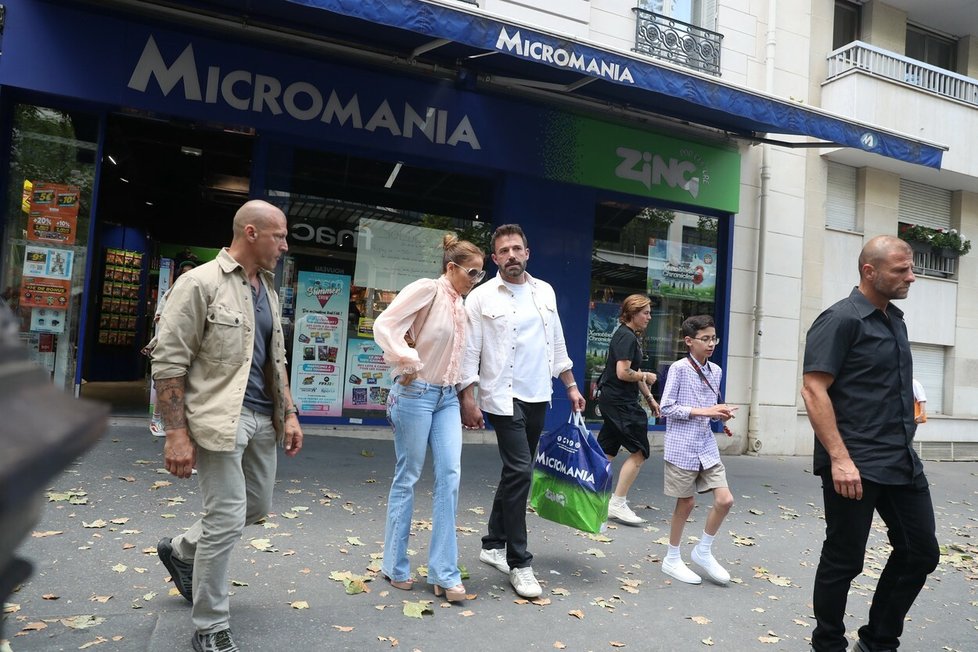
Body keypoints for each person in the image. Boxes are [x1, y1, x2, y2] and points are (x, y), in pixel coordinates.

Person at [151, 199, 303, 652]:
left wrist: (290, 412)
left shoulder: (269, 290)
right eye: (279, 235)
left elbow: (276, 360)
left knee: (253, 507)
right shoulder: (199, 283)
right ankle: (210, 626)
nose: (285, 244)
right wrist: (176, 434)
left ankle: (180, 550)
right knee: (225, 518)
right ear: (251, 233)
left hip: (262, 418)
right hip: (218, 419)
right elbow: (168, 362)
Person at [801, 235, 939, 652]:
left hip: (900, 459)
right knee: (845, 559)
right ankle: (827, 644)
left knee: (921, 552)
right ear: (869, 271)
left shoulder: (895, 320)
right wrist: (840, 459)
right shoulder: (841, 318)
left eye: (911, 268)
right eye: (901, 270)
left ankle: (878, 641)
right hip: (854, 462)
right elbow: (813, 389)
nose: (911, 277)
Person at [459, 223, 585, 599]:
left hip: (537, 394)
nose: (511, 255)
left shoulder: (544, 291)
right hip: (501, 396)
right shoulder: (480, 298)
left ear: (527, 253)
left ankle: (492, 543)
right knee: (520, 471)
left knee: (515, 473)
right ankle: (520, 562)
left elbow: (557, 340)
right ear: (494, 258)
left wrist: (571, 385)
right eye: (504, 251)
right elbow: (470, 352)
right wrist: (468, 397)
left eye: (517, 248)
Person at [373, 234, 485, 603]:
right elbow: (385, 324)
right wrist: (407, 359)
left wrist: (471, 397)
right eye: (472, 272)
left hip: (448, 398)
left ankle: (443, 573)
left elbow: (464, 357)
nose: (475, 279)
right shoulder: (428, 289)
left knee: (450, 476)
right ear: (451, 268)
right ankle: (394, 564)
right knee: (408, 476)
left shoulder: (463, 307)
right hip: (415, 394)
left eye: (481, 275)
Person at [658, 314, 736, 586]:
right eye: (705, 339)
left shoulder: (715, 371)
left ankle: (703, 550)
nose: (711, 343)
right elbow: (666, 408)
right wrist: (706, 411)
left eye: (713, 338)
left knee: (725, 500)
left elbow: (709, 410)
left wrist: (721, 414)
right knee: (687, 502)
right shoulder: (679, 369)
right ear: (689, 341)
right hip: (682, 446)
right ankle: (672, 557)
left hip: (706, 446)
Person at [597, 294, 660, 526]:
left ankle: (590, 496)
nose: (649, 317)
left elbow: (634, 370)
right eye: (646, 313)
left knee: (606, 452)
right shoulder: (626, 336)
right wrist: (646, 376)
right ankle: (617, 502)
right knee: (640, 451)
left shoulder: (629, 336)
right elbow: (625, 372)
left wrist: (650, 399)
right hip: (620, 403)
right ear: (633, 313)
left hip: (615, 400)